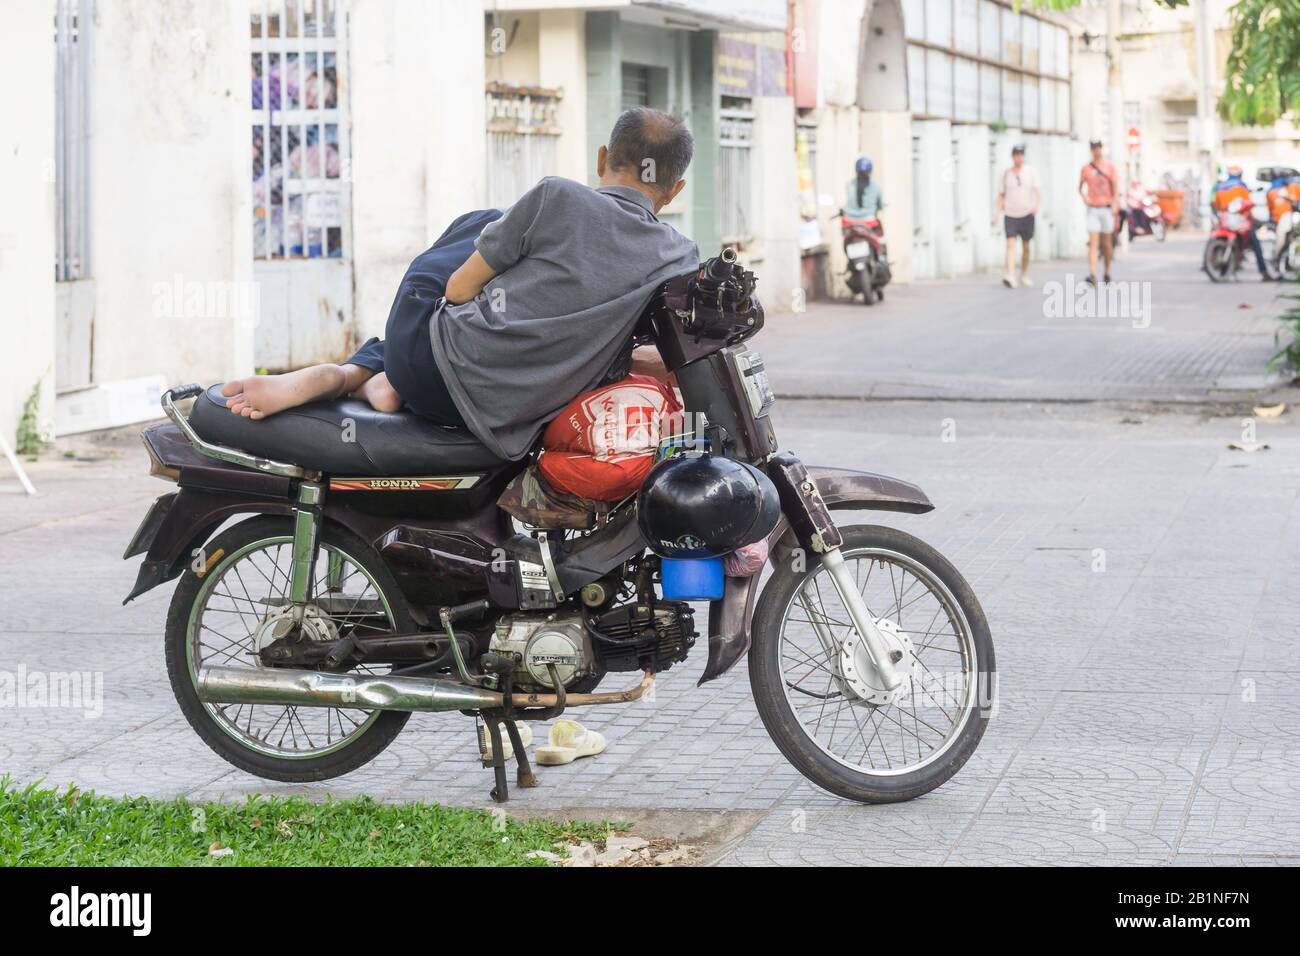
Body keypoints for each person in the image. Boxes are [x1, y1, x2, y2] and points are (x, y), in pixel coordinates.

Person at [220, 108, 701, 461]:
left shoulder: (557, 196)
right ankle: (368, 377)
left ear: (602, 159)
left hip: (427, 367)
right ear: (675, 188)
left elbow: (455, 291)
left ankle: (360, 371)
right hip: (502, 418)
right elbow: (659, 356)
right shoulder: (678, 256)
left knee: (487, 221)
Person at [1213, 164, 1272, 280]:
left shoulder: (1220, 187)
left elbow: (1217, 206)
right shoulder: (1241, 186)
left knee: (1215, 237)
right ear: (1240, 175)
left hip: (1226, 221)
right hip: (1240, 221)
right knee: (1255, 244)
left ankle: (1215, 264)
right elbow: (1248, 204)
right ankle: (1264, 272)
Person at [993, 144, 1040, 288]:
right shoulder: (1006, 173)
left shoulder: (1030, 172)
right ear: (1012, 156)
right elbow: (1001, 194)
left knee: (1026, 247)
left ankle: (1024, 274)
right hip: (1010, 214)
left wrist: (1036, 207)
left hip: (1026, 214)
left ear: (1023, 156)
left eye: (1021, 154)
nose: (1019, 157)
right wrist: (997, 213)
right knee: (1010, 244)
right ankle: (1010, 275)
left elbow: (1037, 191)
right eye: (1016, 154)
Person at [1079, 139, 1120, 284]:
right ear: (1091, 150)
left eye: (1098, 147)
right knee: (1093, 243)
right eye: (1093, 148)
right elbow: (1080, 188)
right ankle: (1092, 274)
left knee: (1107, 244)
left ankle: (1107, 272)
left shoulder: (1109, 167)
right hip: (1093, 209)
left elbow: (1115, 189)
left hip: (1106, 209)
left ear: (1101, 149)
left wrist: (1115, 205)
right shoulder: (1086, 168)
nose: (1096, 150)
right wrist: (1085, 198)